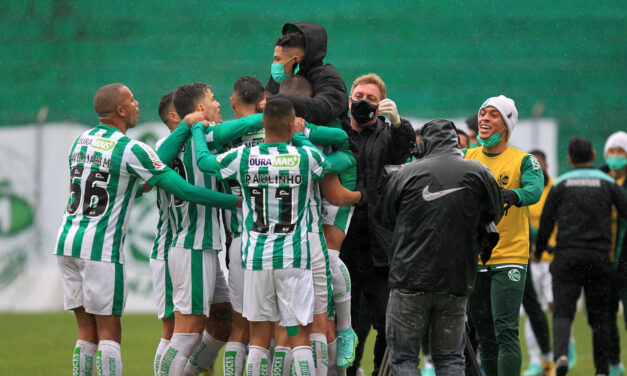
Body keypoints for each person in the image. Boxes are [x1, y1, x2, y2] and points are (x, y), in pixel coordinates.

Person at [54, 83, 239, 376]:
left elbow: (126, 189)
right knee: (110, 334)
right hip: (101, 248)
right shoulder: (131, 149)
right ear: (121, 110)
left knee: (86, 334)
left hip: (66, 241)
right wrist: (238, 202)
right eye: (132, 100)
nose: (138, 104)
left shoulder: (81, 140)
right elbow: (184, 190)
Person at [192, 98, 335, 376]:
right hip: (294, 258)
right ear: (290, 123)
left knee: (257, 338)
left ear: (264, 124)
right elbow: (326, 165)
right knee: (298, 336)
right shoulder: (305, 157)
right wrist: (300, 137)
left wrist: (198, 130)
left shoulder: (244, 157)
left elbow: (204, 162)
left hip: (256, 259)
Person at [375, 118, 503, 374]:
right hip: (457, 279)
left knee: (404, 358)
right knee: (450, 358)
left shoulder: (406, 173)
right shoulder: (478, 171)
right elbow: (494, 213)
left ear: (426, 142)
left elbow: (385, 217)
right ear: (456, 141)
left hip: (409, 277)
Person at [156, 82, 265, 376]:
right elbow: (241, 125)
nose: (219, 105)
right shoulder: (202, 138)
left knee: (221, 323)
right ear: (200, 109)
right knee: (186, 332)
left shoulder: (170, 144)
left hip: (204, 245)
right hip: (190, 244)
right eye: (213, 100)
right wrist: (276, 109)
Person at [340, 73, 414, 376]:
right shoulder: (337, 132)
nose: (363, 102)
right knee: (345, 325)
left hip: (379, 248)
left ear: (380, 104)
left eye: (371, 98)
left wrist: (399, 124)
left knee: (387, 322)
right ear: (348, 100)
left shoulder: (387, 134)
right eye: (358, 96)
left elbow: (404, 149)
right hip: (340, 245)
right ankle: (347, 371)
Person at [464, 95, 544, 376]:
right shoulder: (467, 157)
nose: (484, 118)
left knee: (505, 329)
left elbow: (535, 190)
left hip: (509, 257)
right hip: (474, 259)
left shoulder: (524, 160)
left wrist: (514, 194)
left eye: (493, 115)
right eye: (482, 113)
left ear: (507, 125)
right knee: (485, 334)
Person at [536, 137, 627, 376]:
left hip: (566, 256)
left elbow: (546, 221)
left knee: (563, 313)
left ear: (569, 158)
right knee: (599, 320)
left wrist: (539, 249)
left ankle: (562, 355)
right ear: (594, 155)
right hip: (599, 258)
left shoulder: (562, 184)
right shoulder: (608, 183)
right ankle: (601, 371)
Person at [265, 22, 350, 131]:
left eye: (277, 59)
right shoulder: (279, 77)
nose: (274, 64)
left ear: (295, 60)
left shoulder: (328, 78)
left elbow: (322, 109)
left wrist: (278, 102)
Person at [149, 90, 182, 375]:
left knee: (219, 320)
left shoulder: (202, 142)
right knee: (173, 330)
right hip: (170, 249)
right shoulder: (161, 147)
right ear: (174, 116)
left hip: (201, 248)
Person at [602, 131, 627, 376]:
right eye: (612, 151)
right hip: (605, 261)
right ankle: (615, 363)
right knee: (606, 317)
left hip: (625, 260)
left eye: (621, 152)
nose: (616, 157)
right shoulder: (600, 180)